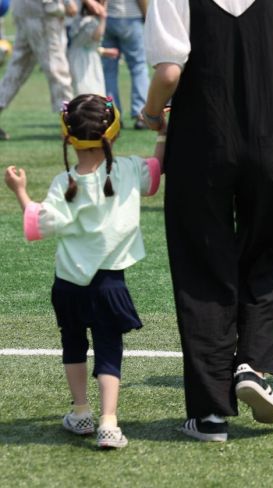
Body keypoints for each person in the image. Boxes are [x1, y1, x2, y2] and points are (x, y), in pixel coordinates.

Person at [142, 0, 273, 442]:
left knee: (202, 267)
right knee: (264, 255)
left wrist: (151, 110)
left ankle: (210, 412)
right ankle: (252, 365)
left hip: (203, 137)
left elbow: (169, 73)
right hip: (269, 137)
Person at [3, 94, 164, 449]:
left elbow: (39, 225)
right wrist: (163, 132)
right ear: (113, 132)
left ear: (68, 136)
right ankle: (109, 422)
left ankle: (80, 412)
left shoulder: (65, 183)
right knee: (109, 349)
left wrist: (20, 192)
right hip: (110, 284)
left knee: (72, 344)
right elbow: (155, 173)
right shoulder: (126, 170)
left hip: (68, 284)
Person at [0, 0, 77, 140]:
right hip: (42, 11)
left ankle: (69, 122)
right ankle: (70, 124)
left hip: (24, 10)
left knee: (17, 68)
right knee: (57, 68)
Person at [101, 0, 149, 129]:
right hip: (131, 16)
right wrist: (146, 15)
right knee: (138, 67)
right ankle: (140, 113)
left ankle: (112, 114)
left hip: (107, 17)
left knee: (108, 71)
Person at [68, 0, 120, 96]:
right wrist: (103, 18)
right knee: (85, 89)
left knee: (94, 89)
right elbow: (96, 37)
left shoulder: (88, 20)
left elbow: (88, 46)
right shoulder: (89, 21)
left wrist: (103, 51)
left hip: (88, 60)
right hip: (81, 62)